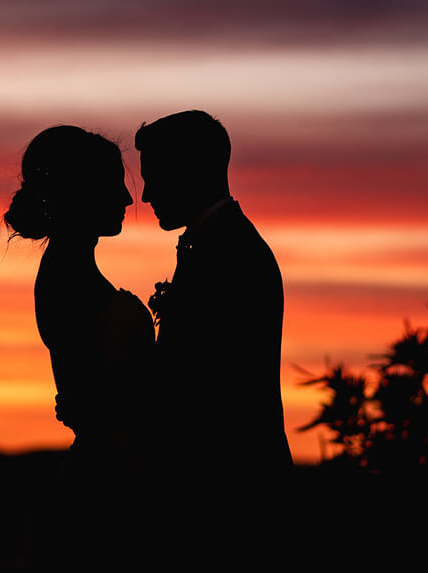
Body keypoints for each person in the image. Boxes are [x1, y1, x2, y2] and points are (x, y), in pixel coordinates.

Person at [135, 110, 293, 557]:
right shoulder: (215, 244)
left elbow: (211, 388)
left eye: (155, 177)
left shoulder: (231, 253)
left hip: (229, 497)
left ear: (192, 170)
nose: (145, 195)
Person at [3, 125, 155, 562]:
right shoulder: (70, 282)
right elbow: (116, 406)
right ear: (81, 191)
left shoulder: (68, 273)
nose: (128, 200)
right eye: (114, 185)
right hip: (112, 490)